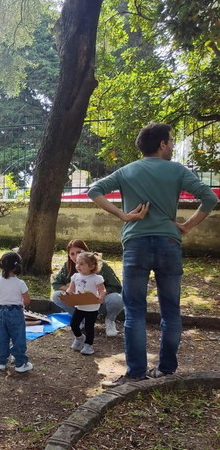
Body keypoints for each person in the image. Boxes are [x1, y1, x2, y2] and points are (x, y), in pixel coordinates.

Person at [89, 123, 218, 387]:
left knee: (135, 310)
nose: (172, 146)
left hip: (135, 244)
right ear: (161, 144)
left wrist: (124, 216)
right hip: (169, 244)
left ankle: (136, 372)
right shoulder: (177, 170)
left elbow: (94, 191)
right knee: (171, 310)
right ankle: (166, 369)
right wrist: (186, 226)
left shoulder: (127, 171)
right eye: (170, 141)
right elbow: (209, 198)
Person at [51, 239, 124, 337]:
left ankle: (110, 320)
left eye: (79, 252)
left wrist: (100, 294)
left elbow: (116, 286)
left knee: (117, 298)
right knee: (56, 295)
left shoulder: (100, 265)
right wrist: (70, 289)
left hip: (98, 301)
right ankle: (80, 319)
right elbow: (56, 283)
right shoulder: (68, 266)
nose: (75, 256)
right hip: (79, 302)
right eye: (72, 254)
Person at [0, 251, 33, 373]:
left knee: (1, 337)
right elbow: (27, 300)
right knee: (18, 337)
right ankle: (20, 363)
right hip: (16, 312)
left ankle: (0, 361)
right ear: (17, 266)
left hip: (1, 312)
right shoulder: (20, 283)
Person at [66, 252, 106, 356]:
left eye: (81, 264)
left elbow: (102, 290)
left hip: (92, 307)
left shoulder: (96, 278)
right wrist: (68, 294)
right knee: (74, 324)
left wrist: (101, 297)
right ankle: (79, 338)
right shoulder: (75, 277)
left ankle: (89, 345)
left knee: (89, 327)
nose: (77, 266)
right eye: (77, 263)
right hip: (79, 305)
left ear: (91, 266)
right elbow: (71, 289)